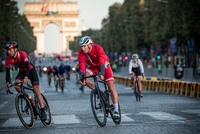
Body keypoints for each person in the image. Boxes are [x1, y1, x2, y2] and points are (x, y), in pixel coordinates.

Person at [78, 36, 120, 118]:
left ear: (90, 44)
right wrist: (82, 77)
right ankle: (98, 93)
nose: (83, 48)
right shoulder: (81, 53)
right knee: (83, 78)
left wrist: (102, 73)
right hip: (92, 67)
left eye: (84, 46)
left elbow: (101, 62)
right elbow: (82, 67)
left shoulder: (98, 48)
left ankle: (116, 110)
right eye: (81, 47)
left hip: (104, 66)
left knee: (111, 87)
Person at [4, 41, 47, 120]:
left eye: (10, 50)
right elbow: (7, 72)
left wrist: (26, 77)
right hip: (22, 72)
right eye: (7, 50)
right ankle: (28, 98)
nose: (8, 52)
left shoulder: (22, 54)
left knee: (36, 90)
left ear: (15, 49)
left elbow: (27, 66)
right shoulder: (8, 59)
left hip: (31, 70)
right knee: (17, 85)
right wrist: (7, 84)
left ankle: (43, 111)